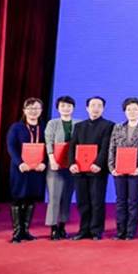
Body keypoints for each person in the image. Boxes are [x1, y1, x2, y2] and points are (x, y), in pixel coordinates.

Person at [68, 96, 114, 241]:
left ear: (103, 108)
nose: (96, 108)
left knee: (97, 201)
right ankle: (83, 230)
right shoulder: (79, 126)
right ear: (87, 108)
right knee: (82, 201)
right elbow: (72, 146)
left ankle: (96, 230)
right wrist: (72, 163)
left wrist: (98, 163)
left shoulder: (108, 125)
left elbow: (106, 147)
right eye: (93, 105)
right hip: (80, 169)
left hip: (97, 169)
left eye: (99, 106)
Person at [107, 97, 138, 240]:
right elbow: (112, 148)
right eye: (129, 109)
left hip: (136, 171)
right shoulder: (118, 127)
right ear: (124, 111)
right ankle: (120, 231)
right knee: (120, 201)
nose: (132, 112)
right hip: (118, 170)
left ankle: (131, 231)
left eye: (135, 109)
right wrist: (112, 167)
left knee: (133, 201)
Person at [6, 98, 47, 243]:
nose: (33, 111)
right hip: (21, 169)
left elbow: (48, 147)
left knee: (31, 199)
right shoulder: (16, 127)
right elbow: (11, 147)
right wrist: (20, 163)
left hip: (37, 169)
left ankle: (26, 230)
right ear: (24, 110)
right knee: (18, 198)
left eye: (36, 108)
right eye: (30, 108)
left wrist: (44, 163)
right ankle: (17, 232)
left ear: (41, 111)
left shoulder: (44, 127)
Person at [44, 95, 79, 240]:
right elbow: (48, 142)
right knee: (54, 197)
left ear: (73, 108)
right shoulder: (53, 123)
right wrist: (52, 160)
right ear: (58, 108)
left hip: (72, 166)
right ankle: (53, 228)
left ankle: (62, 226)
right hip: (55, 165)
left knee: (67, 197)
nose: (66, 108)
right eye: (63, 106)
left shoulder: (79, 123)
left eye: (69, 106)